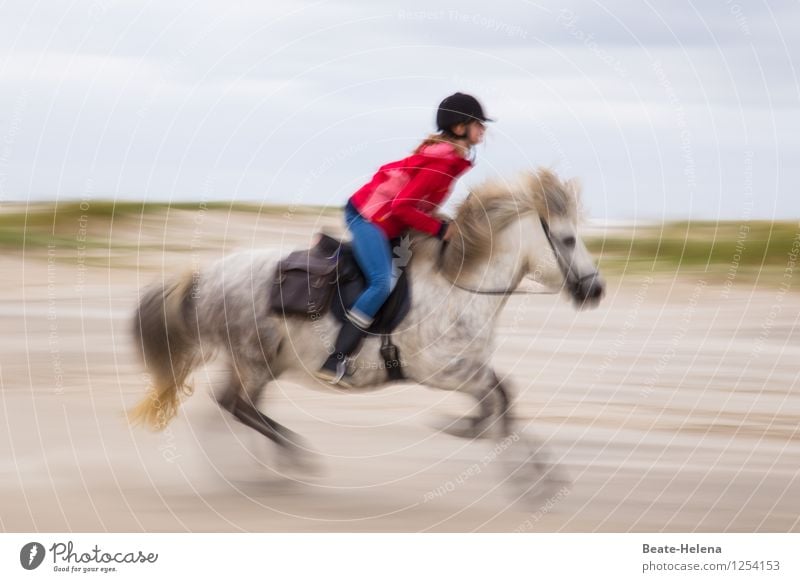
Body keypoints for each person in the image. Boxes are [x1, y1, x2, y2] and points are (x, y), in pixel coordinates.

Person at [314, 92, 492, 388]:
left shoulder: (451, 160)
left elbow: (419, 205)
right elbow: (401, 206)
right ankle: (336, 358)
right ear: (460, 128)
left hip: (390, 221)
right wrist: (439, 230)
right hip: (369, 217)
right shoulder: (442, 163)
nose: (483, 130)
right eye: (478, 124)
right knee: (382, 281)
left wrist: (444, 224)